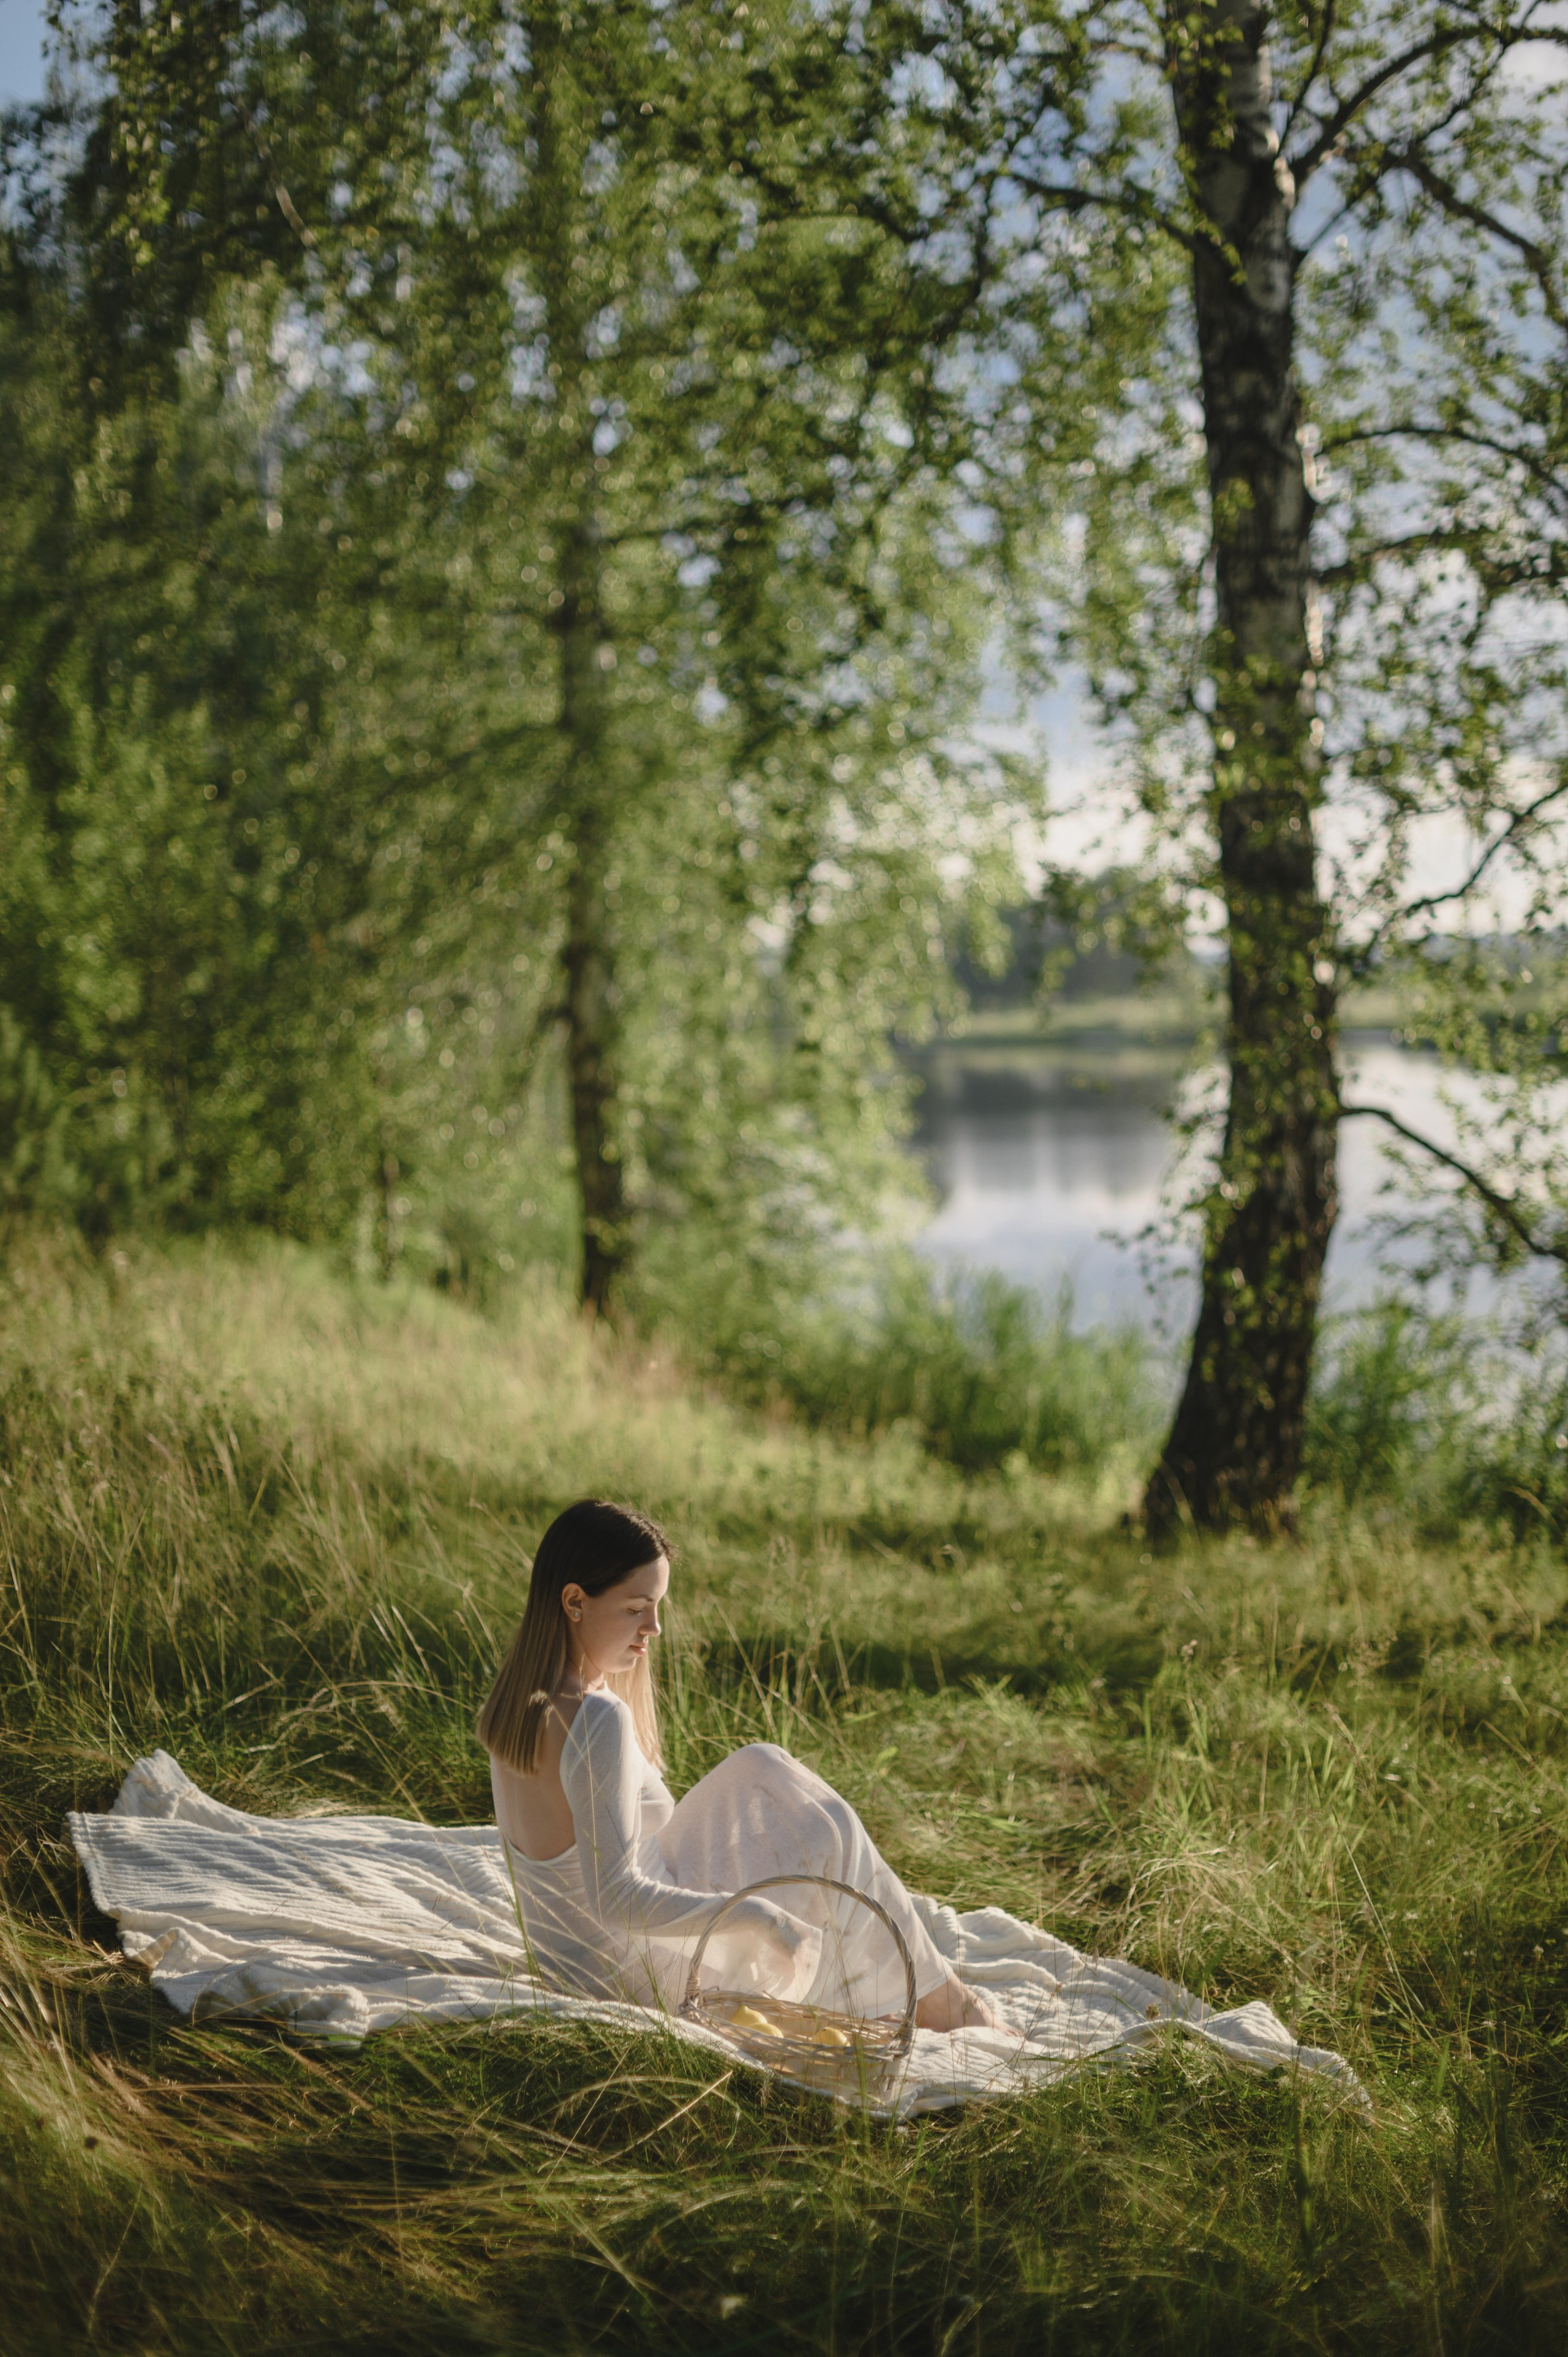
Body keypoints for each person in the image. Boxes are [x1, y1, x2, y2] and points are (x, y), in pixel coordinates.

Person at [478, 1498, 994, 2032]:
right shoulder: (596, 1719)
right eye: (636, 1608)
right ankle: (940, 2001)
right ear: (574, 1602)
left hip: (573, 1965)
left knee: (763, 1770)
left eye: (659, 1606)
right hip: (640, 1972)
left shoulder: (520, 1698)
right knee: (825, 1831)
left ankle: (919, 1993)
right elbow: (616, 1900)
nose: (654, 1628)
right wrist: (758, 1917)